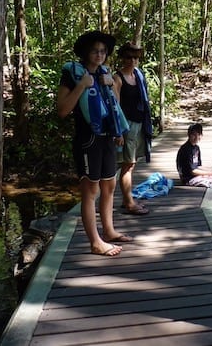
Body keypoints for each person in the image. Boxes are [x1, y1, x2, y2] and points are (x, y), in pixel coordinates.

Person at [57, 31, 133, 256]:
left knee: (109, 186)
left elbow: (113, 107)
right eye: (94, 50)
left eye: (103, 51)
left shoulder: (105, 73)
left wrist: (112, 85)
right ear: (85, 53)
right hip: (87, 139)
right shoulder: (72, 74)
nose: (99, 55)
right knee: (91, 190)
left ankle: (108, 231)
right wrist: (82, 85)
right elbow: (62, 110)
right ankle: (95, 241)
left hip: (107, 136)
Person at [112, 41, 153, 215]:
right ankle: (128, 202)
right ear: (122, 58)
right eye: (129, 57)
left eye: (136, 57)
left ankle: (126, 199)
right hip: (126, 126)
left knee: (131, 164)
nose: (133, 60)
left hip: (138, 124)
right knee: (126, 164)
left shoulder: (138, 75)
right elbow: (115, 106)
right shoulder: (117, 78)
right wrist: (118, 131)